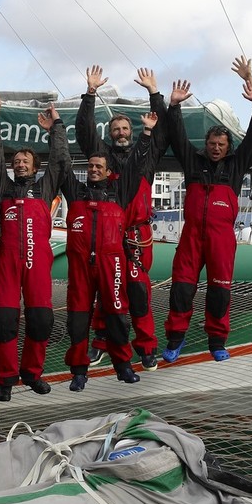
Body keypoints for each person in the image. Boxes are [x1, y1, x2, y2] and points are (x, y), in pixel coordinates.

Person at [162, 59, 252, 363]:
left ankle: (217, 341)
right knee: (181, 290)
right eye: (212, 143)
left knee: (219, 293)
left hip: (221, 239)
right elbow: (178, 137)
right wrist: (174, 107)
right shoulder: (193, 163)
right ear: (206, 144)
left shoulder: (235, 166)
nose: (216, 147)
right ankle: (175, 339)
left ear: (227, 146)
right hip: (192, 237)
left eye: (221, 143)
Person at [75, 65, 170, 372]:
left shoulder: (147, 155)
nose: (120, 133)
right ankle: (103, 343)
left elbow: (163, 127)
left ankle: (146, 347)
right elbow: (84, 131)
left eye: (125, 129)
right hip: (108, 234)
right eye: (115, 129)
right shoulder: (102, 157)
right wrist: (90, 94)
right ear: (109, 134)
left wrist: (154, 93)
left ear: (133, 131)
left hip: (137, 235)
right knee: (107, 289)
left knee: (139, 293)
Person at [62, 111, 158, 391]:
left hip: (120, 251)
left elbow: (138, 161)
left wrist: (148, 132)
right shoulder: (77, 191)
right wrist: (60, 124)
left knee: (126, 306)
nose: (93, 170)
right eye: (90, 166)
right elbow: (63, 160)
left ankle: (127, 362)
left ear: (107, 171)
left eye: (98, 167)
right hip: (85, 264)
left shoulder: (121, 189)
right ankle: (80, 369)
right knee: (79, 319)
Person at [0, 96, 71, 401]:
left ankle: (32, 373)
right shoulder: (3, 187)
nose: (20, 164)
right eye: (16, 162)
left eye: (26, 162)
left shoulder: (46, 187)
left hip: (37, 263)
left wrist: (56, 126)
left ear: (35, 167)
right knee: (3, 321)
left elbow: (61, 160)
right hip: (7, 262)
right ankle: (6, 378)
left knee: (41, 320)